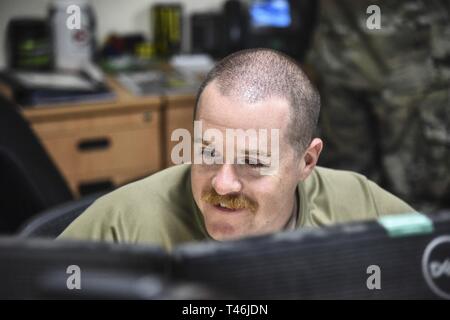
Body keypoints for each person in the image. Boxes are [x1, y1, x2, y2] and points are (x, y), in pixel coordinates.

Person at [58, 48, 414, 251]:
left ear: (307, 161)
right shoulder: (121, 224)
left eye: (252, 162)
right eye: (208, 154)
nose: (223, 185)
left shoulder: (363, 208)